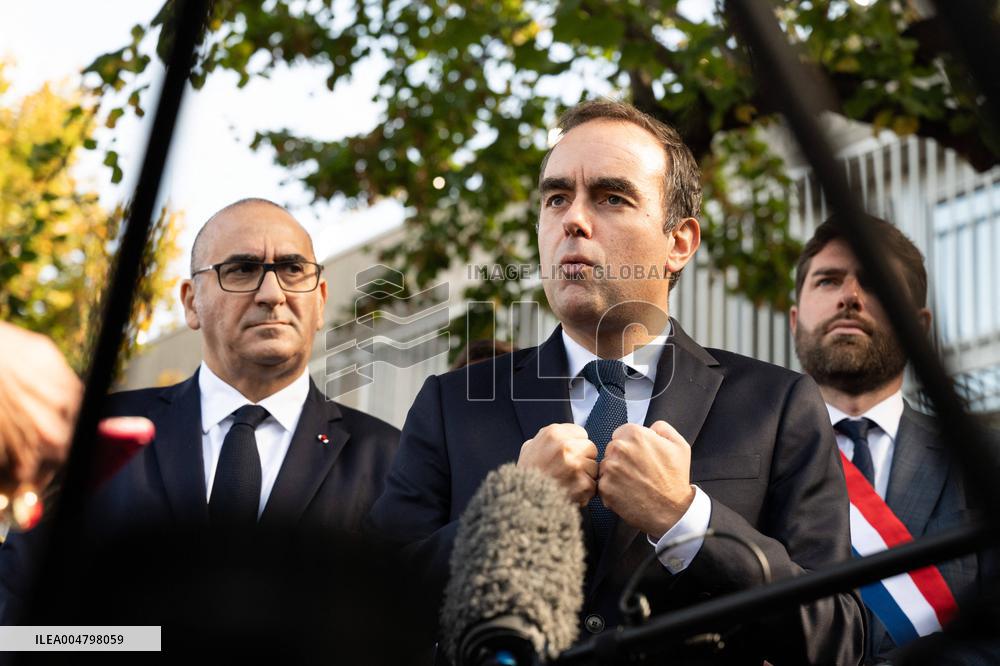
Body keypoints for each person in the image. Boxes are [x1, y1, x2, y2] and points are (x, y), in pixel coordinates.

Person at [369, 101, 863, 664]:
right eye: (556, 198)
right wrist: (508, 518)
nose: (572, 220)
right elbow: (369, 609)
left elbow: (838, 636)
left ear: (679, 241)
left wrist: (686, 521)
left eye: (611, 197)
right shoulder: (451, 404)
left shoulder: (777, 407)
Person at [0, 198, 400, 621]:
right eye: (242, 270)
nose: (272, 294)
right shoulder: (96, 437)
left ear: (319, 300)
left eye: (292, 269)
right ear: (192, 303)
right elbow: (16, 622)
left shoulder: (391, 459)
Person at [791, 215, 996, 664]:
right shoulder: (746, 461)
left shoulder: (985, 460)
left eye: (875, 282)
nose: (851, 297)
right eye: (828, 281)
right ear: (794, 320)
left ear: (919, 327)